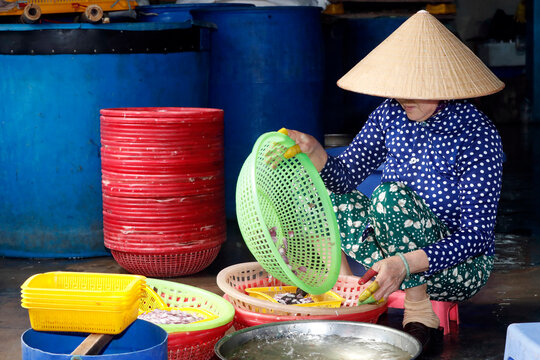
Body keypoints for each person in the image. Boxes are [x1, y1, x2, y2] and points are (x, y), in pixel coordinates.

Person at [287, 10, 505, 353]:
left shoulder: (477, 135)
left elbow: (475, 238)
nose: (403, 96)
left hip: (455, 264)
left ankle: (420, 313)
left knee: (389, 197)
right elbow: (345, 179)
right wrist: (317, 153)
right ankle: (343, 287)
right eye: (398, 85)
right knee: (327, 196)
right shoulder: (391, 114)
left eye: (415, 88)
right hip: (392, 249)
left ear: (444, 86)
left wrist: (405, 264)